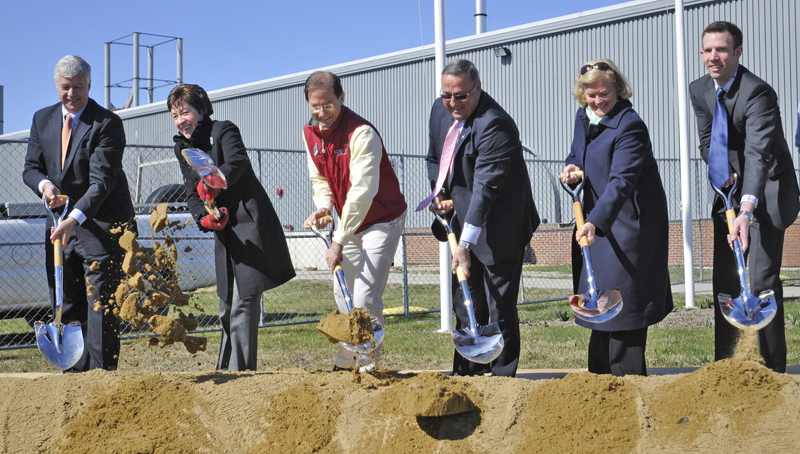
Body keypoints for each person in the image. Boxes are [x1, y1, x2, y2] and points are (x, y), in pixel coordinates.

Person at [689, 21, 799, 373]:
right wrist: (727, 188)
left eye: (721, 49)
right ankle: (727, 367)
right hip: (730, 193)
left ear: (738, 52)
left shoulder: (757, 93)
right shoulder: (700, 89)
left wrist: (747, 209)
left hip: (767, 193)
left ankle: (771, 372)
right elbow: (708, 143)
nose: (712, 57)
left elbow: (758, 154)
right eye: (707, 50)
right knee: (726, 284)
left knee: (761, 284)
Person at [421, 59, 539, 377]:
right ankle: (467, 372)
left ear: (478, 88)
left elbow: (486, 189)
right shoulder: (439, 110)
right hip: (461, 219)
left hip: (502, 224)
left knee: (499, 306)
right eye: (447, 95)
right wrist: (440, 193)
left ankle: (502, 378)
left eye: (460, 96)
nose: (453, 103)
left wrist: (466, 244)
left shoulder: (495, 124)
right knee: (466, 301)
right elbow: (434, 158)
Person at [168, 84, 296, 371]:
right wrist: (203, 217)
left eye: (185, 112)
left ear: (201, 110)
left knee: (243, 302)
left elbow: (237, 162)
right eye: (175, 115)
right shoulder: (183, 148)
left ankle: (240, 375)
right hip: (223, 229)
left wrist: (213, 179)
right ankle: (227, 372)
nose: (181, 120)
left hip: (249, 224)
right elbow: (191, 190)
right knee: (226, 305)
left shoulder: (224, 130)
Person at [22, 55, 135, 371]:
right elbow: (31, 168)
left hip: (100, 223)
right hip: (60, 225)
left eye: (78, 88)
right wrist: (45, 185)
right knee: (67, 299)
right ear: (57, 85)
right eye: (65, 87)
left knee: (100, 305)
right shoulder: (42, 119)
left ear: (89, 84)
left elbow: (102, 182)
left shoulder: (107, 123)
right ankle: (73, 372)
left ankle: (101, 377)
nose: (72, 94)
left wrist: (75, 217)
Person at [561, 59, 673, 377]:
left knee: (624, 308)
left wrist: (595, 221)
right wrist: (572, 167)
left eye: (604, 93)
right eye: (591, 94)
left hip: (629, 227)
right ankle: (599, 383)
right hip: (599, 223)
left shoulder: (630, 125)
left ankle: (628, 386)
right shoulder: (585, 117)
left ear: (618, 88)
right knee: (601, 305)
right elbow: (576, 153)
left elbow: (620, 182)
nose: (598, 100)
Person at [301, 71, 407, 372]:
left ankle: (368, 365)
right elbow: (320, 179)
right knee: (341, 292)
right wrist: (323, 207)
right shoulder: (311, 135)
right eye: (315, 107)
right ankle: (347, 361)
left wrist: (337, 241)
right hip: (351, 223)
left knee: (363, 295)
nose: (322, 113)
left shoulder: (361, 133)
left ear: (342, 99)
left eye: (329, 105)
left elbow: (362, 192)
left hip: (381, 219)